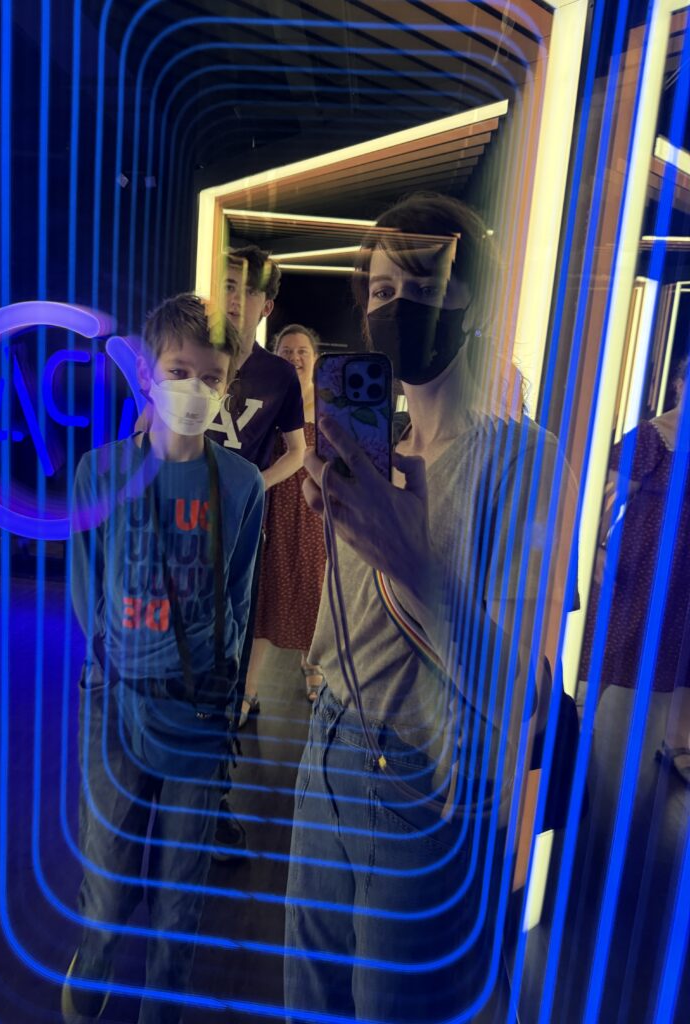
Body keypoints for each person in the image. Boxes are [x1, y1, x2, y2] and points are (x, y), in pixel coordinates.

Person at [283, 193, 575, 1023]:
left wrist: (408, 558)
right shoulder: (369, 449)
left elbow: (519, 691)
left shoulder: (524, 462)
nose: (398, 305)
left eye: (424, 284)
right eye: (381, 290)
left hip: (426, 781)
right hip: (326, 747)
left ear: (470, 300)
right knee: (308, 1001)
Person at [63, 294, 264, 1024]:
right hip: (116, 699)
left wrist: (228, 685)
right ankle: (95, 957)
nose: (195, 388)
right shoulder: (100, 471)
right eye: (180, 370)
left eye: (212, 377)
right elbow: (85, 582)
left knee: (183, 888)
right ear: (147, 373)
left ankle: (164, 1002)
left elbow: (240, 594)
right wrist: (114, 658)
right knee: (108, 868)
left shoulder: (241, 484)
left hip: (200, 708)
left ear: (228, 386)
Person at [136, 246, 306, 856]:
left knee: (223, 657)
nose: (234, 296)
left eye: (248, 287)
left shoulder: (279, 375)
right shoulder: (189, 350)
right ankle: (145, 787)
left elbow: (297, 450)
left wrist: (252, 486)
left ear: (267, 303)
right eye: (226, 283)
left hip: (230, 527)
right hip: (168, 519)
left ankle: (215, 798)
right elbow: (145, 425)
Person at [582, 354, 690, 778]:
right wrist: (595, 549)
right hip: (641, 564)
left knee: (664, 668)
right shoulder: (652, 437)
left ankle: (661, 750)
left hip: (681, 579)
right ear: (680, 385)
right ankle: (576, 747)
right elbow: (604, 496)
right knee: (609, 657)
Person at [245, 324, 326, 719]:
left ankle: (312, 661)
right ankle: (249, 686)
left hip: (315, 508)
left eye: (302, 351)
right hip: (274, 502)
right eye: (286, 351)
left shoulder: (329, 405)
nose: (295, 357)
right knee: (267, 588)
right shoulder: (270, 398)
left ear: (315, 358)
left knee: (313, 586)